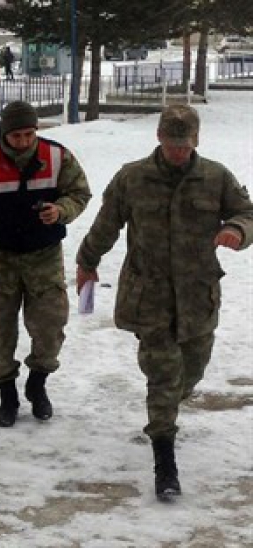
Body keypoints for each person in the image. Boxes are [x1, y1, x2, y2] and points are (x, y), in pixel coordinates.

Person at [75, 104, 253, 501]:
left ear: (196, 141)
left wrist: (237, 231)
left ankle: (169, 406)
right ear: (158, 138)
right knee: (163, 374)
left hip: (198, 295)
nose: (177, 152)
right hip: (150, 295)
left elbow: (246, 212)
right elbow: (106, 224)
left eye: (184, 145)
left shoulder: (216, 177)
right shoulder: (132, 178)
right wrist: (87, 261)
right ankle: (164, 459)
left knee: (192, 370)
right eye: (171, 144)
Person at [0, 101, 91, 427]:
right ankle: (6, 395)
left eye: (29, 134)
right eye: (17, 135)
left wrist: (61, 210)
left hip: (43, 257)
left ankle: (37, 384)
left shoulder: (57, 157)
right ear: (4, 134)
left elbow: (80, 193)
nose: (24, 141)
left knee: (50, 326)